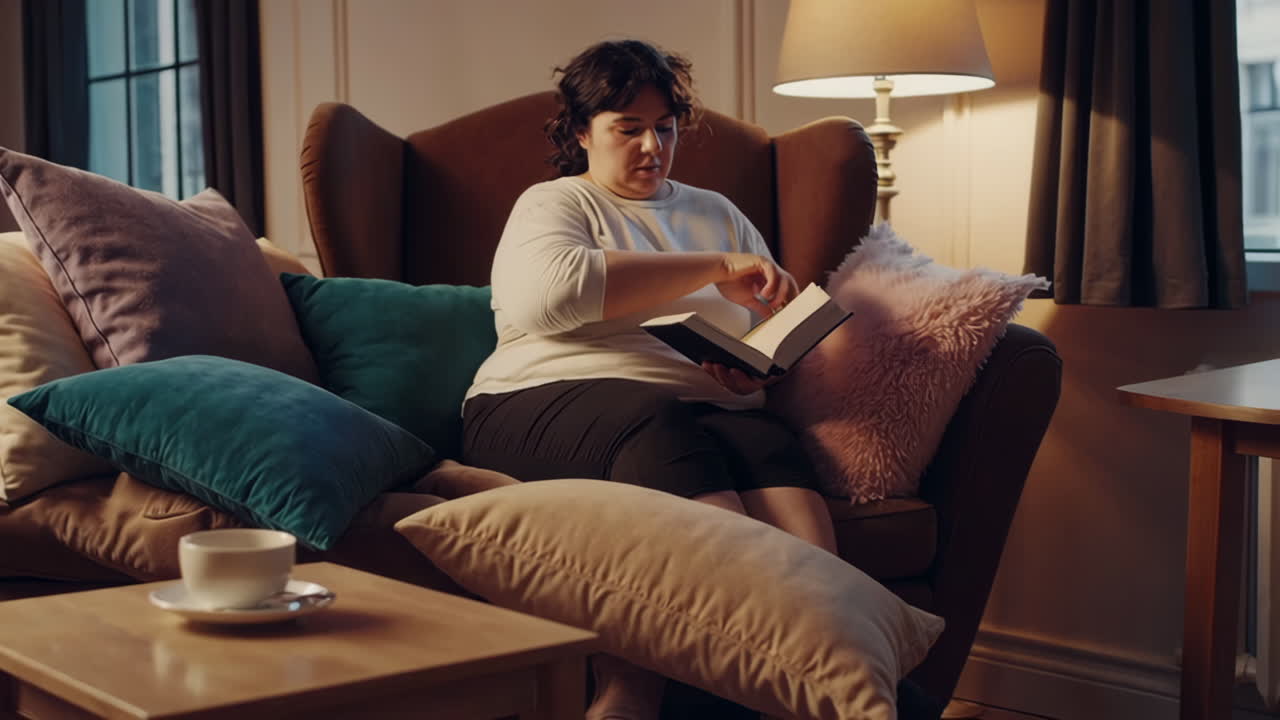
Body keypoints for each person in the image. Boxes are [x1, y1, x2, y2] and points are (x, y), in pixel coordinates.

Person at [461, 39, 838, 720]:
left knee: (765, 442)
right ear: (582, 133)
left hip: (696, 403)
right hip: (535, 400)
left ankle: (827, 668)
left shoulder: (718, 211)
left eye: (663, 128)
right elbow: (554, 295)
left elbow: (766, 328)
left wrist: (753, 366)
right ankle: (638, 688)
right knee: (661, 428)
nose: (650, 147)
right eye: (626, 128)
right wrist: (717, 268)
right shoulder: (554, 204)